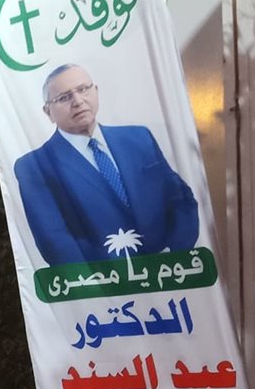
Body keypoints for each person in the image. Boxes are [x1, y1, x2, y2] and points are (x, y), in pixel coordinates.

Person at [13, 63, 199, 267]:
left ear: (96, 91)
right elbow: (54, 241)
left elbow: (181, 199)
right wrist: (109, 280)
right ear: (48, 112)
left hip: (172, 272)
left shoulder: (139, 138)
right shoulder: (35, 167)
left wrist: (174, 256)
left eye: (83, 89)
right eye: (64, 97)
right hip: (105, 281)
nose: (78, 101)